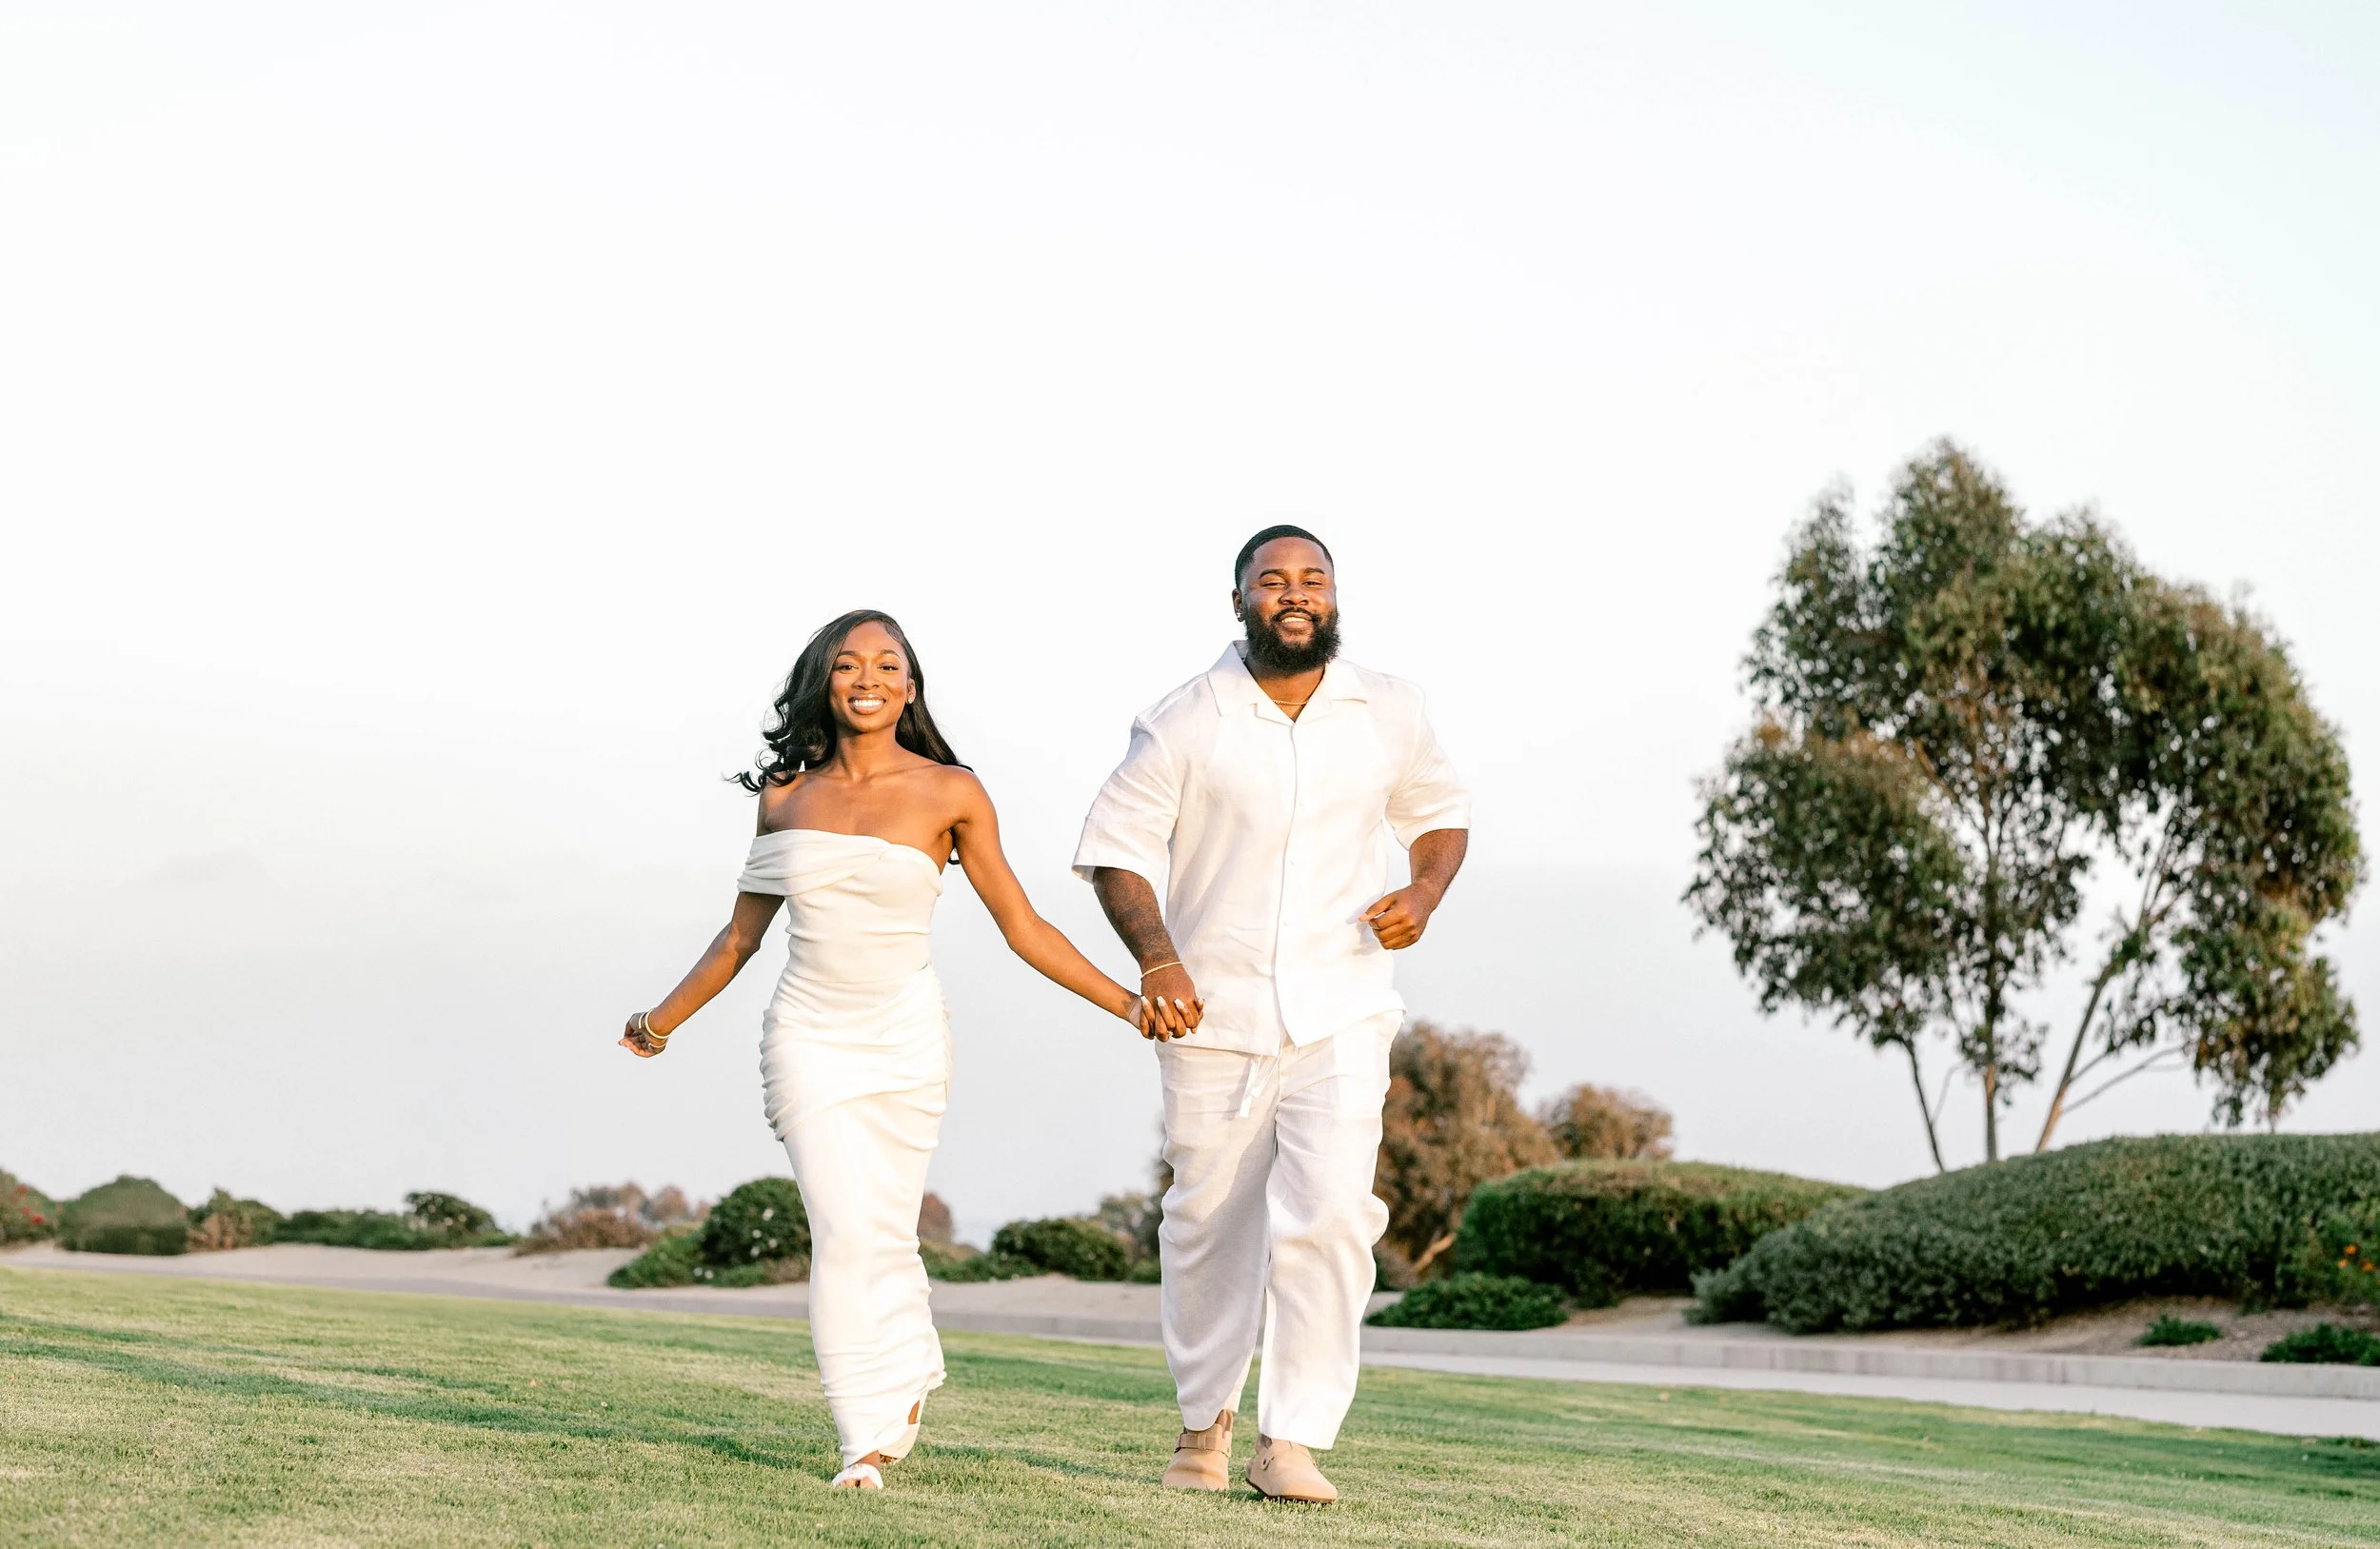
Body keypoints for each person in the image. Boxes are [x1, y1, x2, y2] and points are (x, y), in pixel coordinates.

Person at [619, 609, 1189, 1490]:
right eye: (849, 663)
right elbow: (738, 940)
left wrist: (1129, 1001)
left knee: (881, 1228)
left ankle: (910, 1363)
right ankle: (863, 1438)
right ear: (825, 680)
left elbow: (1023, 925)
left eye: (889, 663)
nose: (869, 676)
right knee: (846, 1229)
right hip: (807, 1036)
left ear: (910, 688)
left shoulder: (952, 790)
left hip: (906, 1037)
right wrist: (658, 1021)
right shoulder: (784, 795)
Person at [1074, 526, 1470, 1503]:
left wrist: (1421, 893)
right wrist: (1157, 958)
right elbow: (1118, 849)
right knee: (1206, 1221)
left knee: (1334, 1212)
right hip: (1212, 1011)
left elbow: (1440, 812)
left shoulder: (1389, 707)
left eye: (1314, 580)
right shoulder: (1184, 719)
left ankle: (1289, 1438)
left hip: (1343, 1005)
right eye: (1274, 581)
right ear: (1241, 598)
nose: (1296, 594)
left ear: (1333, 596)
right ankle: (1202, 1424)